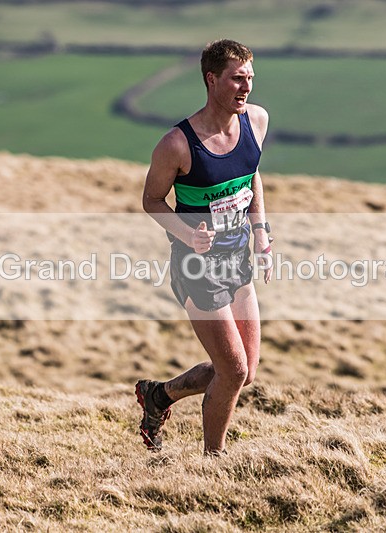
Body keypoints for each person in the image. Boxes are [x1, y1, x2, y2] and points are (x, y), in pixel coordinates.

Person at [137, 39, 273, 455]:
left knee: (245, 371)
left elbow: (252, 176)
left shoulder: (257, 121)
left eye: (249, 77)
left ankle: (159, 395)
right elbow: (151, 201)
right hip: (197, 268)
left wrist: (262, 233)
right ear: (212, 79)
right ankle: (214, 460)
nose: (245, 87)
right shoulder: (177, 144)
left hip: (238, 259)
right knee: (231, 371)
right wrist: (186, 233)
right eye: (236, 78)